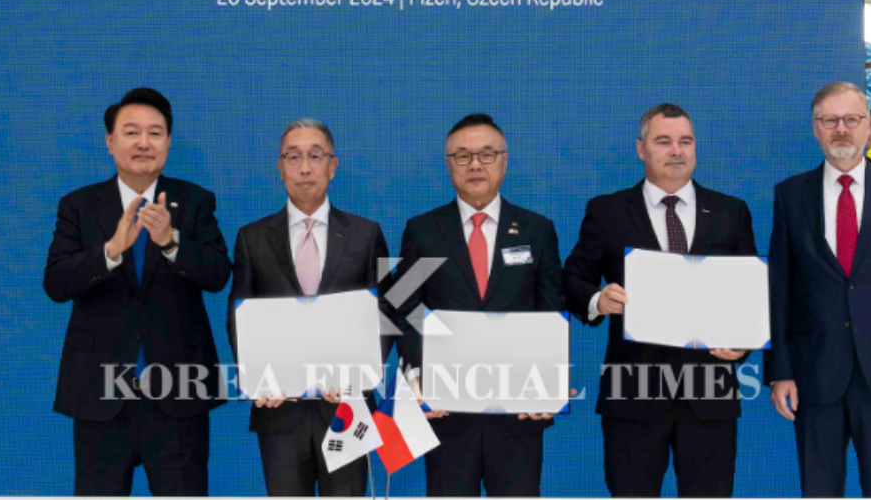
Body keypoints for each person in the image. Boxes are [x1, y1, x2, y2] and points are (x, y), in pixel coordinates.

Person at [44, 88, 232, 496]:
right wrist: (110, 251)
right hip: (100, 393)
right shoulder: (78, 205)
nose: (144, 143)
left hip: (179, 392)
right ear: (110, 142)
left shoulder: (194, 201)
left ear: (168, 142)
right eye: (131, 132)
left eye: (155, 133)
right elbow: (56, 283)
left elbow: (218, 274)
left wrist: (170, 242)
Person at [563, 104, 757, 498]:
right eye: (663, 141)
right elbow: (571, 280)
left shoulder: (730, 212)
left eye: (685, 141)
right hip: (631, 392)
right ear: (641, 149)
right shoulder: (607, 211)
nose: (676, 151)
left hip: (709, 392)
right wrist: (598, 299)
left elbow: (751, 293)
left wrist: (744, 341)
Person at [766, 81, 871, 498]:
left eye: (851, 119)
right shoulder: (790, 195)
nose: (840, 129)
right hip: (814, 373)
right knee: (819, 491)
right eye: (829, 120)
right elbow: (779, 291)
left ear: (870, 127)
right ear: (815, 129)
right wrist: (780, 372)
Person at [393, 113, 564, 497]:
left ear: (504, 161)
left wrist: (550, 383)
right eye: (462, 155)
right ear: (448, 164)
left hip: (518, 412)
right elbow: (404, 309)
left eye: (486, 154)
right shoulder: (422, 231)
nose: (474, 165)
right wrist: (417, 375)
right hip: (447, 411)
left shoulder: (537, 230)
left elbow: (550, 311)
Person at [227, 119, 395, 496]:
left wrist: (360, 373)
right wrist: (258, 376)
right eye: (293, 157)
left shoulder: (366, 234)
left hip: (347, 408)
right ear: (280, 167)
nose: (304, 168)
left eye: (315, 156)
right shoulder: (252, 238)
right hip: (278, 411)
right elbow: (238, 316)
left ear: (332, 166)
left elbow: (386, 311)